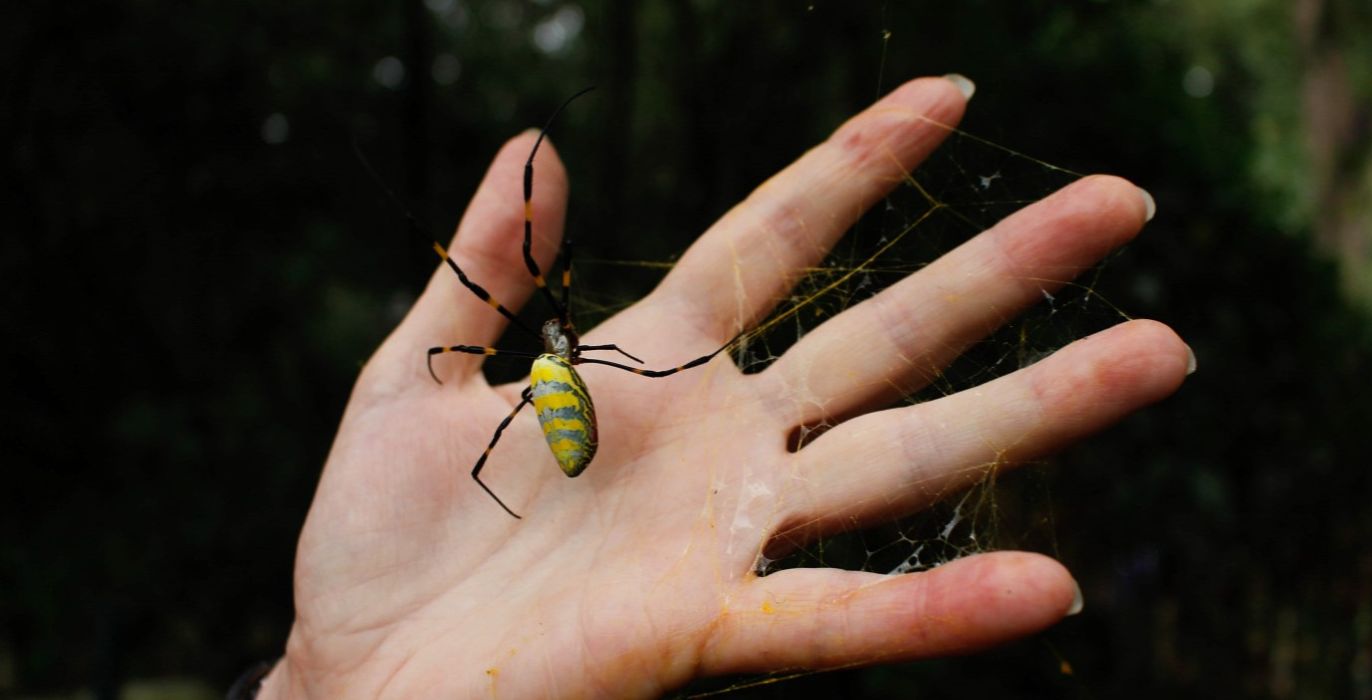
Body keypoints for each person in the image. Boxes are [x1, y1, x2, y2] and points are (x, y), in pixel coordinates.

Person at [248, 75, 1192, 698]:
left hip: (560, 406)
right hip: (563, 402)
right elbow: (602, 351)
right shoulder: (569, 358)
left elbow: (596, 356)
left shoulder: (552, 369)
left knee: (548, 380)